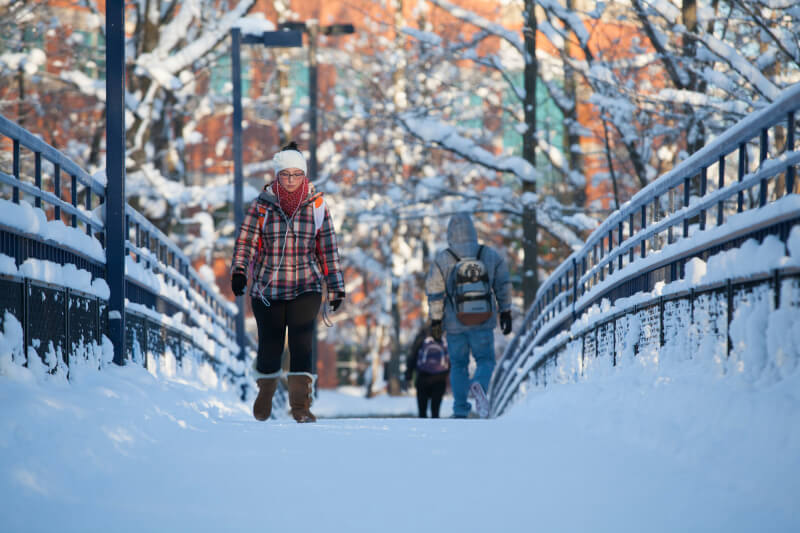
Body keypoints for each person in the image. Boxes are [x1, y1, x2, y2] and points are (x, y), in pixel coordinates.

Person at [231, 142, 345, 423]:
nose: (291, 180)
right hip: (267, 289)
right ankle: (265, 392)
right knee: (270, 346)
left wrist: (336, 286)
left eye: (296, 174)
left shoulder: (316, 205)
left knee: (302, 343)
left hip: (305, 285)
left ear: (304, 175)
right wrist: (239, 271)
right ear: (277, 175)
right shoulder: (261, 206)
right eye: (285, 174)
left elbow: (328, 247)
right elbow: (246, 241)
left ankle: (301, 407)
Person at [425, 213, 512, 418]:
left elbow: (435, 292)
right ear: (473, 231)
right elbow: (503, 284)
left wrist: (436, 320)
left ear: (450, 233)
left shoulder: (443, 258)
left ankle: (460, 409)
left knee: (458, 365)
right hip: (483, 320)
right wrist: (505, 310)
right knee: (486, 360)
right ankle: (479, 385)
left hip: (455, 323)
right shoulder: (488, 255)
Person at [404, 323, 450, 418]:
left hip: (423, 378)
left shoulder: (423, 333)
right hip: (440, 378)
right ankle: (436, 431)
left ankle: (422, 431)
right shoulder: (447, 332)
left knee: (422, 412)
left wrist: (408, 374)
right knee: (435, 412)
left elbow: (413, 355)